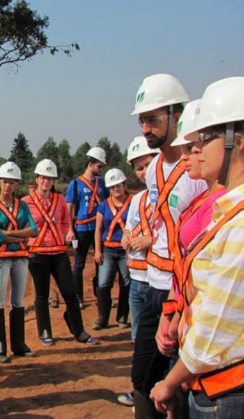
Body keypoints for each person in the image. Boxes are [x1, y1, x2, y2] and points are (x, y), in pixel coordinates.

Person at [151, 77, 244, 417]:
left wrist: (171, 381)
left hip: (226, 390)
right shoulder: (227, 212)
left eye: (207, 138)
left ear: (240, 139)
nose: (195, 150)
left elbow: (213, 330)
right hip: (208, 381)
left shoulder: (239, 225)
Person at [129, 73, 207, 416]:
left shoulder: (198, 169)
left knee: (179, 383)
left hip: (182, 293)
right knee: (144, 381)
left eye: (153, 119)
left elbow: (196, 242)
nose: (146, 128)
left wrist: (178, 307)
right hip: (153, 286)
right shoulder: (154, 168)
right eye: (143, 120)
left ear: (178, 114)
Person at [24, 159, 98, 346]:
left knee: (70, 293)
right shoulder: (26, 202)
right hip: (37, 253)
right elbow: (21, 225)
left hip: (58, 252)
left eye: (50, 178)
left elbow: (66, 220)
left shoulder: (59, 200)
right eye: (43, 178)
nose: (46, 182)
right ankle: (45, 331)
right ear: (37, 178)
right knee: (41, 295)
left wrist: (63, 233)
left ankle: (78, 330)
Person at [117, 136, 160, 408]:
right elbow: (131, 228)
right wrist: (127, 238)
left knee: (163, 344)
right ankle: (143, 393)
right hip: (137, 279)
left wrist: (151, 242)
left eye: (146, 165)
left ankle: (159, 394)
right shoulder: (138, 199)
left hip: (158, 281)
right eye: (138, 168)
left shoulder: (173, 195)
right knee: (140, 341)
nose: (143, 172)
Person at [0, 161, 38, 362]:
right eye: (5, 181)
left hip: (20, 259)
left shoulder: (22, 205)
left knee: (18, 301)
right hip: (0, 259)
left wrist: (8, 232)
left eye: (12, 182)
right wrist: (19, 236)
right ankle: (0, 347)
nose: (8, 185)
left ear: (17, 184)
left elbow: (33, 230)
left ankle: (19, 344)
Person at [65, 146, 108, 308]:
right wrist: (70, 229)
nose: (101, 169)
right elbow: (69, 207)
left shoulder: (103, 183)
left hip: (100, 229)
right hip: (82, 229)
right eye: (99, 166)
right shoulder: (75, 184)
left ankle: (101, 297)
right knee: (79, 264)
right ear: (90, 164)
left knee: (101, 262)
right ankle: (78, 297)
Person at [93, 168, 132, 330]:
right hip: (108, 250)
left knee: (126, 283)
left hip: (126, 251)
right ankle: (103, 317)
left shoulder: (133, 203)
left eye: (118, 185)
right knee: (103, 283)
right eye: (112, 187)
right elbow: (98, 229)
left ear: (124, 185)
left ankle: (122, 316)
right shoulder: (104, 206)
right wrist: (97, 250)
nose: (115, 189)